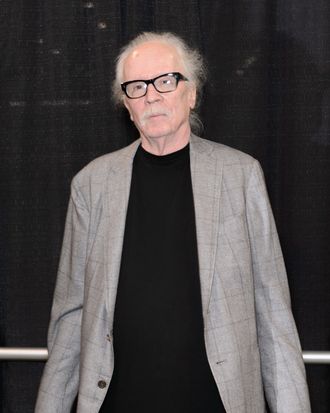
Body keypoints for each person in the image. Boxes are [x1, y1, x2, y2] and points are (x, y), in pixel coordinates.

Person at [35, 32, 311, 413]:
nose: (151, 95)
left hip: (217, 401)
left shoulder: (240, 175)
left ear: (191, 93)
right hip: (118, 401)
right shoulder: (91, 185)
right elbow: (70, 317)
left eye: (165, 81)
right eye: (136, 87)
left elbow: (273, 313)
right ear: (126, 106)